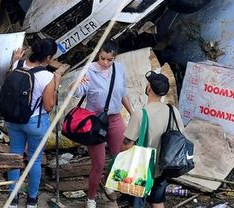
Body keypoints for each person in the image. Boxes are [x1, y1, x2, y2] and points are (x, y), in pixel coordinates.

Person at [75, 40, 134, 208]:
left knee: (120, 156)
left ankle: (109, 182)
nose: (106, 63)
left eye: (110, 59)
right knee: (99, 163)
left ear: (115, 58)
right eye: (102, 58)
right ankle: (91, 198)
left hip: (115, 118)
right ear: (98, 55)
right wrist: (77, 84)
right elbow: (78, 91)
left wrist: (133, 113)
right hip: (94, 121)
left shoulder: (119, 69)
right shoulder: (89, 70)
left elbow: (123, 93)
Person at [7, 37, 62, 208]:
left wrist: (15, 59)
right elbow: (48, 106)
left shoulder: (17, 65)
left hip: (14, 120)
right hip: (35, 123)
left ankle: (13, 199)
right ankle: (32, 200)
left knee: (14, 157)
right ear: (48, 58)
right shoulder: (47, 76)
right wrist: (56, 85)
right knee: (35, 160)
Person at [121, 71, 183, 208]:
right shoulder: (173, 111)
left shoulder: (140, 114)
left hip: (141, 169)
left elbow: (127, 144)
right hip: (162, 166)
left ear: (148, 89)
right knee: (157, 201)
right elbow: (180, 135)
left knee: (137, 203)